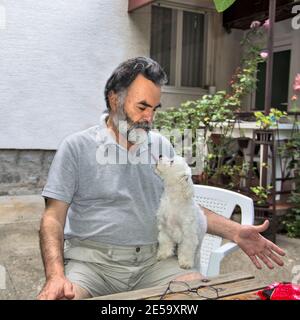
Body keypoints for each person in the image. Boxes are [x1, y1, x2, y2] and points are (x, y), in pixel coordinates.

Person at [37, 57, 285, 300]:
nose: (149, 118)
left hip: (154, 263)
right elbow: (53, 218)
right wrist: (56, 275)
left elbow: (184, 207)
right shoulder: (77, 147)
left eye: (154, 109)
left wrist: (236, 232)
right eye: (142, 107)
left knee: (196, 296)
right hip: (92, 264)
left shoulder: (161, 146)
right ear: (114, 100)